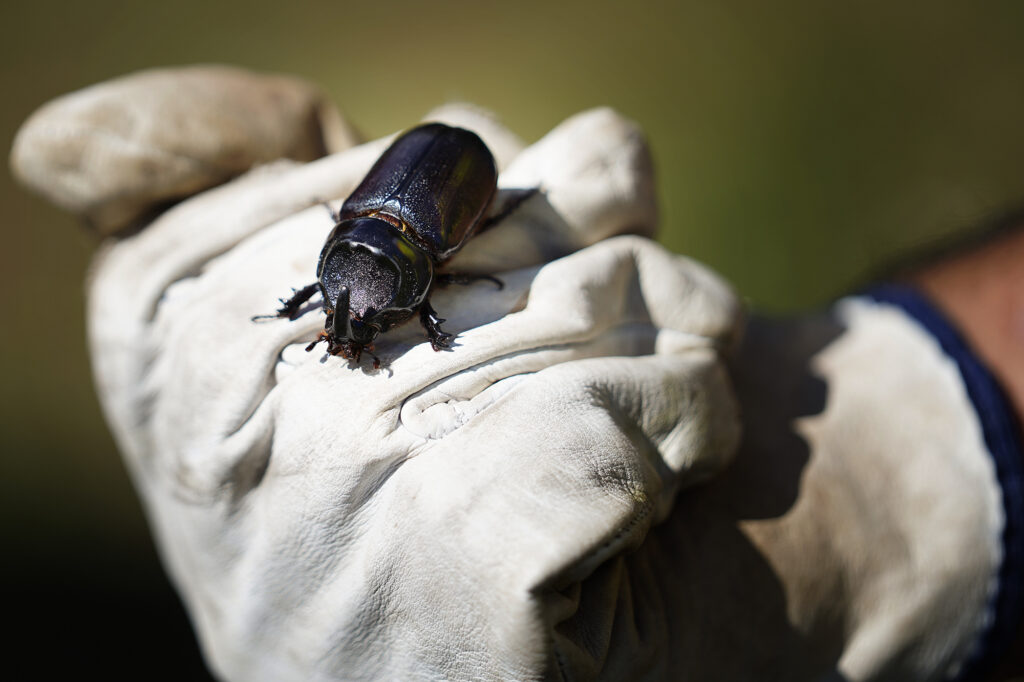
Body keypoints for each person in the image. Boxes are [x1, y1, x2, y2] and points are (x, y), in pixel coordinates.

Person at [11, 65, 1023, 681]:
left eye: (371, 309)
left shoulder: (404, 258)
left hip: (437, 185)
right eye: (345, 308)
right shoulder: (362, 263)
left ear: (424, 270)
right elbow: (350, 287)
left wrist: (906, 427)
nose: (357, 322)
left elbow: (382, 285)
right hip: (416, 196)